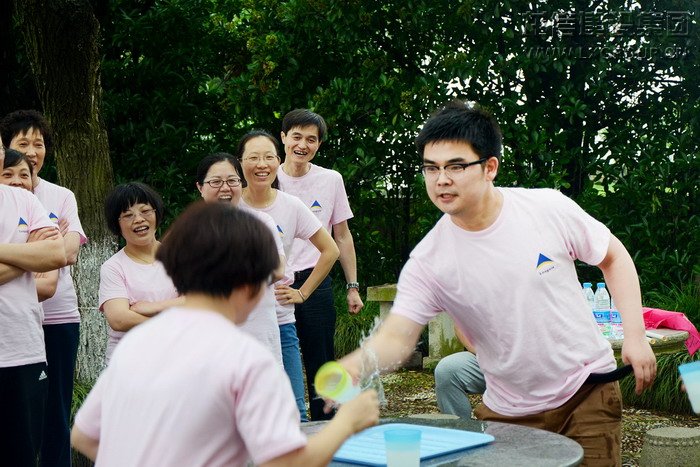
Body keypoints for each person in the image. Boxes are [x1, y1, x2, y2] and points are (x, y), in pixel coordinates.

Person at [339, 101, 657, 465]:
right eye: (431, 168)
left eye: (456, 166)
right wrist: (356, 364)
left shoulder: (546, 208)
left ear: (490, 167)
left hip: (587, 390)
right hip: (509, 412)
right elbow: (397, 335)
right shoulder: (429, 261)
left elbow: (612, 256)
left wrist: (635, 335)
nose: (441, 179)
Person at [70, 202, 379, 466]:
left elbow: (83, 436)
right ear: (247, 283)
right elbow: (285, 462)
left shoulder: (139, 343)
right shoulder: (246, 360)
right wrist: (348, 421)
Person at [1, 109, 88, 467]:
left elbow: (62, 254)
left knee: (52, 413)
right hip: (18, 322)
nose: (33, 151)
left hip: (54, 318)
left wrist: (40, 256)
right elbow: (44, 256)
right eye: (24, 143)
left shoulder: (54, 195)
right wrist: (29, 257)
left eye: (39, 144)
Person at [237, 130, 340, 422]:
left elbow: (330, 250)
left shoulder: (290, 205)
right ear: (240, 163)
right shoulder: (230, 206)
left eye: (269, 157)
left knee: (296, 413)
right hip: (239, 326)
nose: (261, 164)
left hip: (281, 321)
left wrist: (302, 292)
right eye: (253, 157)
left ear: (277, 160)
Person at [277, 109, 363, 421]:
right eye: (296, 136)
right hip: (275, 284)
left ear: (319, 144)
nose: (302, 144)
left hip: (316, 279)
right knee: (276, 357)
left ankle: (330, 430)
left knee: (323, 361)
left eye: (310, 139)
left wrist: (352, 287)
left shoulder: (330, 180)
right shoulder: (267, 178)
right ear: (283, 137)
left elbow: (342, 235)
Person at [196, 152, 285, 364]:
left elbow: (278, 269)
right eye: (216, 182)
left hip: (260, 344)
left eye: (232, 180)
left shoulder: (262, 222)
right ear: (200, 187)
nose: (225, 188)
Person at [100, 182, 183, 363]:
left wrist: (152, 307)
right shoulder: (113, 267)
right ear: (117, 225)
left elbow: (199, 302)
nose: (138, 219)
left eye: (145, 211)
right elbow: (119, 319)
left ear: (157, 214)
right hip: (129, 364)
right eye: (128, 215)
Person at [0, 148, 60, 301]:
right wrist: (31, 253)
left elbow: (56, 254)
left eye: (25, 175)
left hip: (26, 321)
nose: (17, 181)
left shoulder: (28, 200)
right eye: (7, 174)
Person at [434, 327, 486, 419]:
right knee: (447, 369)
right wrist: (481, 353)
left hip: (517, 364)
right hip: (486, 358)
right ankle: (459, 427)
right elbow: (460, 326)